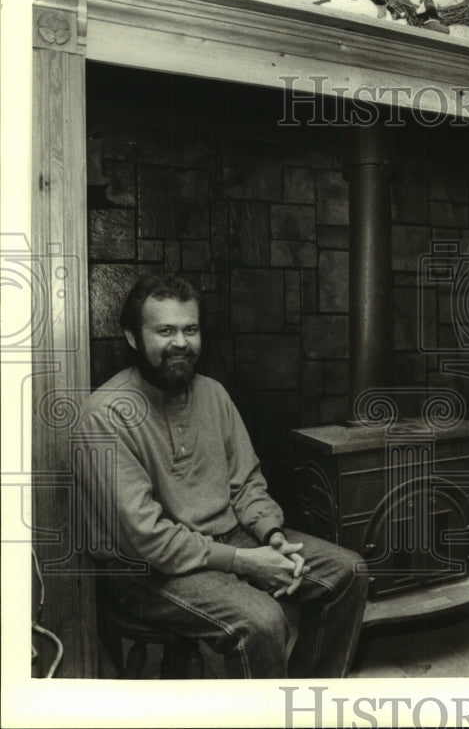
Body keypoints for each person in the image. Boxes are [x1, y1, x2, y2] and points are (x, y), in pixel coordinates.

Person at [76, 273, 368, 678]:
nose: (181, 342)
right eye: (165, 330)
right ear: (132, 337)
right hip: (143, 571)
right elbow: (148, 539)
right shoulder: (105, 415)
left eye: (190, 329)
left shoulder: (213, 393)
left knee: (347, 573)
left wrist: (272, 535)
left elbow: (246, 482)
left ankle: (302, 700)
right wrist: (246, 562)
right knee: (263, 620)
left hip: (228, 537)